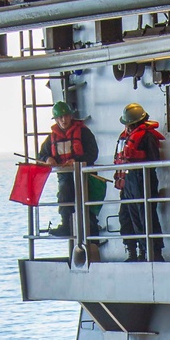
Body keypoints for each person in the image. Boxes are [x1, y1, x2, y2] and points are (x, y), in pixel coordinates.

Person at [38, 100, 98, 240]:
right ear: (56, 119)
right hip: (65, 176)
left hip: (85, 175)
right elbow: (41, 154)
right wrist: (47, 158)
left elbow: (93, 153)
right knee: (64, 197)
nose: (63, 120)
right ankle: (66, 225)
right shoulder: (52, 137)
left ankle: (93, 232)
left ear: (71, 116)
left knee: (87, 203)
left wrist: (77, 161)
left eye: (65, 116)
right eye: (59, 117)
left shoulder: (84, 133)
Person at [114, 102, 164, 261]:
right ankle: (133, 251)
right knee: (126, 217)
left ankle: (153, 253)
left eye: (131, 124)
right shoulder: (124, 137)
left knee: (146, 218)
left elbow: (153, 159)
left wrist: (136, 158)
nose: (129, 127)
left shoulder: (147, 136)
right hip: (128, 182)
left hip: (143, 180)